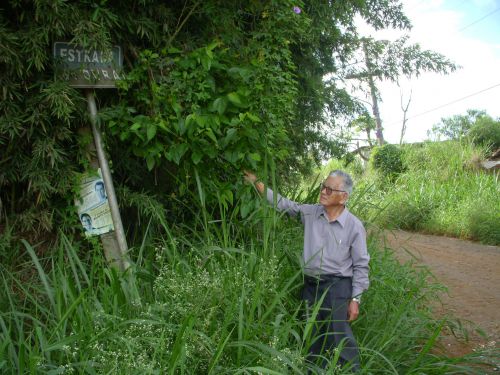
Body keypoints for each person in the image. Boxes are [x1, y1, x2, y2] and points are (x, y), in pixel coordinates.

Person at [244, 170, 370, 372]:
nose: (323, 191)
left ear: (344, 196)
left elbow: (361, 265)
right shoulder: (311, 213)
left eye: (330, 189)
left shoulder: (354, 226)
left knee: (339, 338)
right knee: (311, 337)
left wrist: (356, 299)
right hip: (311, 286)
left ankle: (348, 371)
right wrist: (256, 182)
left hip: (337, 289)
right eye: (323, 186)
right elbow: (282, 203)